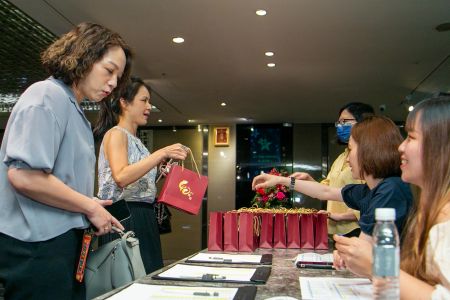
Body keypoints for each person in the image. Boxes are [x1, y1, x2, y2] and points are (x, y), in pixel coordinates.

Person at [0, 22, 132, 300]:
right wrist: (88, 206)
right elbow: (24, 176)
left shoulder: (72, 107)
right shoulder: (46, 96)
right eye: (109, 71)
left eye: (118, 77)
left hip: (59, 242)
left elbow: (59, 180)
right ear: (83, 57)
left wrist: (90, 203)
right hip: (37, 246)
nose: (113, 83)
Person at [334, 96, 450, 299]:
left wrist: (377, 266)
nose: (401, 147)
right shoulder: (430, 209)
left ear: (440, 147)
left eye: (411, 137)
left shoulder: (445, 218)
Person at [252, 115, 413, 241]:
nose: (347, 158)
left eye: (350, 149)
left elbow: (363, 250)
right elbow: (326, 191)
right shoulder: (370, 190)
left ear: (369, 150)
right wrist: (282, 181)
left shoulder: (390, 190)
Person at [93, 76, 188, 274]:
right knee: (128, 279)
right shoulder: (116, 134)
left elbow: (135, 182)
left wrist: (157, 169)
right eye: (144, 100)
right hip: (125, 217)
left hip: (143, 216)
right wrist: (160, 153)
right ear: (124, 102)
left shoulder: (136, 141)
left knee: (146, 275)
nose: (149, 106)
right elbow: (121, 176)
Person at [291, 102, 374, 237]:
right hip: (336, 228)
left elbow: (369, 200)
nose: (340, 126)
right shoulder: (342, 157)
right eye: (339, 123)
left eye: (345, 122)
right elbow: (328, 189)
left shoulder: (368, 156)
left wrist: (340, 216)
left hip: (356, 229)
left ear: (363, 123)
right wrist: (308, 180)